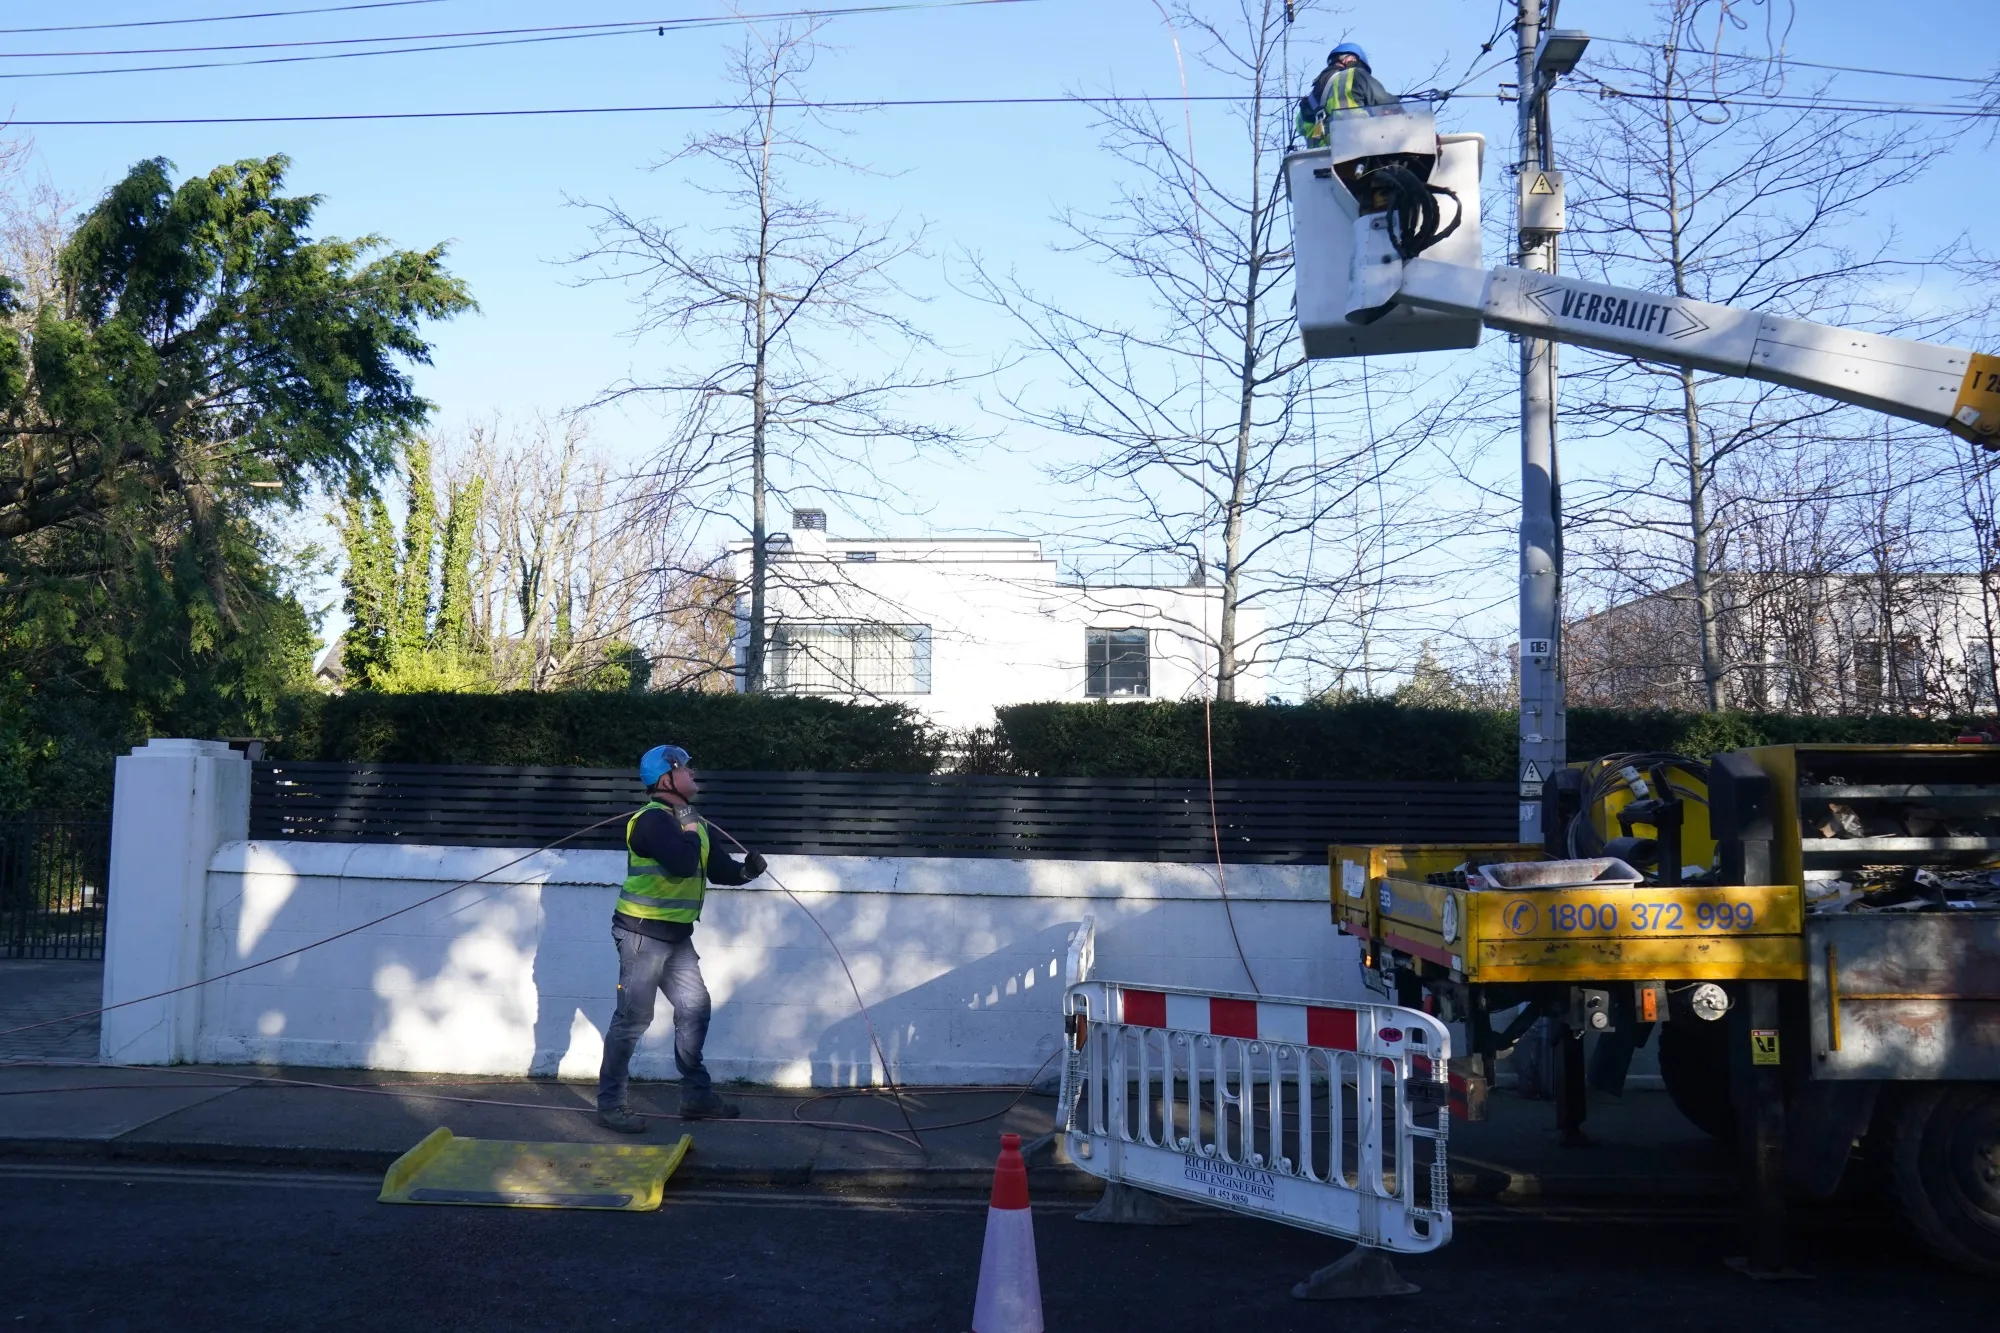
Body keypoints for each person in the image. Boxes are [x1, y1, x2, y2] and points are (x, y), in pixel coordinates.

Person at [595, 743, 768, 1132]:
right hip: (641, 936)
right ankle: (610, 1106)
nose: (695, 774)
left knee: (694, 1008)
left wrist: (748, 871)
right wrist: (690, 824)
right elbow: (683, 862)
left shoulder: (696, 824)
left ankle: (695, 1097)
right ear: (667, 777)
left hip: (675, 938)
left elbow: (719, 870)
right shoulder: (652, 821)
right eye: (687, 768)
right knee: (633, 1019)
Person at [1296, 42, 1396, 147]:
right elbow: (1386, 102)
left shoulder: (1308, 101)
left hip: (1319, 158)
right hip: (1356, 148)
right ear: (1349, 59)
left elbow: (1300, 127)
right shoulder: (1354, 75)